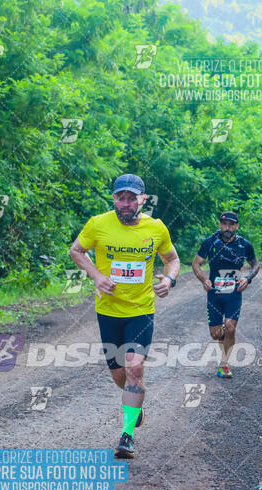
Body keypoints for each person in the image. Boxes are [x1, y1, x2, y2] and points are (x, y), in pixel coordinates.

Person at [70, 174, 180, 458]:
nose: (126, 203)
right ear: (114, 199)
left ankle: (127, 435)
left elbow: (173, 259)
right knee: (119, 373)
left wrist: (169, 280)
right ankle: (137, 405)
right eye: (121, 197)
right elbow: (77, 251)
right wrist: (96, 276)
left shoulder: (156, 228)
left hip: (141, 311)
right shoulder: (98, 224)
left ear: (143, 199)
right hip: (108, 311)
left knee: (134, 369)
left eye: (132, 198)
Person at [192, 211, 259, 378]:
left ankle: (224, 364)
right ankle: (225, 338)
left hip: (234, 292)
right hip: (214, 293)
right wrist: (204, 279)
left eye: (231, 224)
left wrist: (248, 278)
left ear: (236, 226)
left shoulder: (244, 245)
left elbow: (255, 264)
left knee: (230, 326)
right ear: (220, 225)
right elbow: (196, 264)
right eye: (224, 224)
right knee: (216, 334)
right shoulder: (210, 242)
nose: (227, 227)